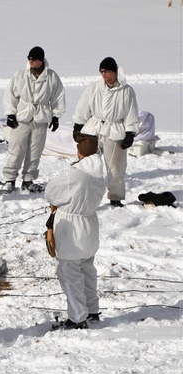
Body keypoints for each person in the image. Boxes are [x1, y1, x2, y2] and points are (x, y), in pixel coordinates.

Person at [44, 136, 106, 329]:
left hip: (71, 229)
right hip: (89, 226)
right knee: (88, 271)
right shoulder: (99, 174)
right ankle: (92, 310)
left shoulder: (75, 175)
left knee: (70, 275)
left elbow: (51, 192)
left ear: (80, 152)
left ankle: (77, 318)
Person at [72, 57, 140, 207]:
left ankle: (115, 197)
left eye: (107, 71)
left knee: (116, 167)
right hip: (93, 129)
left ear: (115, 71)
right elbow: (83, 106)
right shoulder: (94, 88)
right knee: (87, 163)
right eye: (101, 72)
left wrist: (130, 133)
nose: (104, 75)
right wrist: (78, 125)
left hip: (114, 130)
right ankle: (84, 195)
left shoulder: (127, 91)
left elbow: (131, 113)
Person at [0, 46, 66, 194]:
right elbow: (10, 95)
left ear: (41, 60)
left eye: (34, 59)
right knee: (16, 149)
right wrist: (10, 114)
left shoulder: (52, 77)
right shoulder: (20, 75)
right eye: (29, 58)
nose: (31, 61)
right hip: (22, 117)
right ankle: (9, 179)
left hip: (41, 119)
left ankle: (28, 180)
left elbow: (58, 97)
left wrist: (56, 116)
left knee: (35, 151)